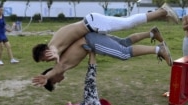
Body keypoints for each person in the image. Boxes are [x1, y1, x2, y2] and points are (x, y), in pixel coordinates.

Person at [32, 27, 172, 91]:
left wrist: (46, 76)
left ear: (53, 78)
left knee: (123, 53)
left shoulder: (60, 64)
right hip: (92, 37)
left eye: (55, 83)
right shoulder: (60, 59)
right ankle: (152, 33)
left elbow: (56, 69)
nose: (58, 82)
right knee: (123, 43)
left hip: (91, 39)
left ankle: (159, 50)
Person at [34, 3, 179, 63]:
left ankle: (162, 11)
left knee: (127, 23)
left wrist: (55, 53)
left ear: (44, 52)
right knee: (123, 40)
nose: (47, 60)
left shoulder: (53, 46)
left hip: (93, 24)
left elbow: (55, 49)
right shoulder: (55, 41)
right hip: (92, 26)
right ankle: (159, 19)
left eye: (44, 58)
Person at [37, 52, 102, 105]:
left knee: (90, 78)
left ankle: (92, 54)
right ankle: (92, 53)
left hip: (87, 104)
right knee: (90, 78)